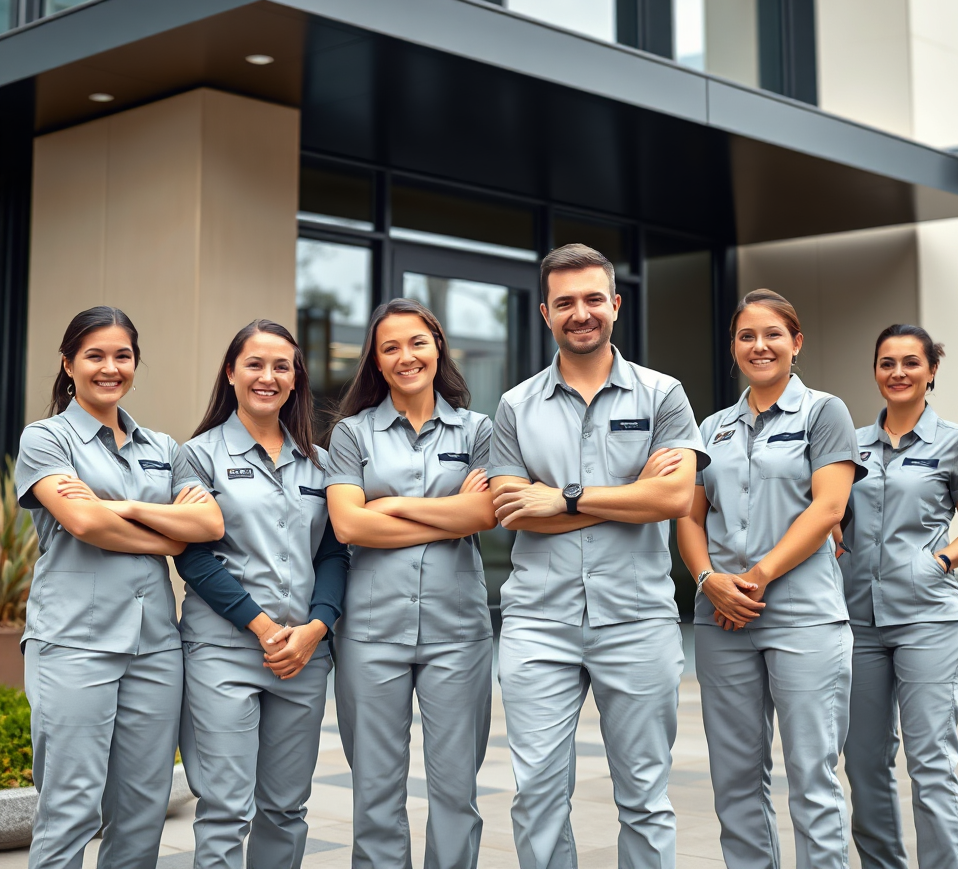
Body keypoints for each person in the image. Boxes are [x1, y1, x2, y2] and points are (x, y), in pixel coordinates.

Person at [488, 243, 706, 869]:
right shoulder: (514, 406)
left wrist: (563, 497)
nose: (579, 313)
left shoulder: (663, 394)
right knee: (537, 797)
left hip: (637, 621)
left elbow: (672, 497)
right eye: (565, 303)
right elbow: (511, 510)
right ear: (545, 313)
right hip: (538, 624)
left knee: (644, 796)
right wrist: (630, 495)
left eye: (592, 299)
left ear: (615, 304)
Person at [14, 306, 223, 869]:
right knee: (72, 808)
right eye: (95, 356)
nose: (111, 368)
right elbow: (84, 524)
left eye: (123, 356)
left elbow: (207, 526)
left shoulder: (163, 447)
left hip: (155, 647)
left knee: (141, 810)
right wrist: (166, 533)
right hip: (74, 645)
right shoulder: (45, 438)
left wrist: (121, 510)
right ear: (68, 365)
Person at [676, 288, 863, 869]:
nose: (760, 346)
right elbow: (688, 513)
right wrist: (708, 580)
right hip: (721, 620)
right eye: (746, 336)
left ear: (796, 342)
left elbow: (828, 509)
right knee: (734, 781)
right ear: (733, 349)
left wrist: (752, 579)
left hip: (803, 617)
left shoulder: (824, 412)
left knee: (812, 779)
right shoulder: (712, 427)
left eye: (773, 334)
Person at [325, 298, 496, 869]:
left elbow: (484, 516)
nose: (406, 356)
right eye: (390, 347)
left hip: (458, 633)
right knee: (375, 793)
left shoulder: (479, 429)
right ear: (374, 360)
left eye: (417, 342)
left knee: (455, 794)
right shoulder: (351, 435)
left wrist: (390, 506)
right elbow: (349, 524)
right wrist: (446, 511)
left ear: (438, 346)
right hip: (371, 635)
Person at [174, 319, 348, 869]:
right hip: (224, 652)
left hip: (303, 656)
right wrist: (264, 627)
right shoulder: (196, 456)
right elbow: (192, 554)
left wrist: (315, 630)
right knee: (226, 806)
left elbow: (334, 553)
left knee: (286, 807)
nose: (267, 377)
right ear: (231, 373)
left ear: (296, 378)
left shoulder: (320, 463)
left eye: (281, 366)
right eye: (254, 364)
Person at [839, 325, 958, 869]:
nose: (897, 373)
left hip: (928, 618)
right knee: (863, 762)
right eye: (886, 363)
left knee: (930, 762)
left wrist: (940, 561)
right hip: (857, 622)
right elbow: (834, 517)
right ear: (875, 371)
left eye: (910, 362)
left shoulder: (955, 442)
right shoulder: (850, 444)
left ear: (931, 371)